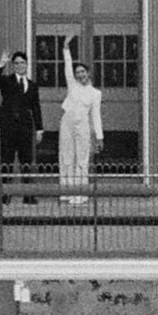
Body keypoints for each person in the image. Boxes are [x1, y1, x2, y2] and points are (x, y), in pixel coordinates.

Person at [0, 49, 44, 203]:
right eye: (17, 63)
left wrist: (39, 129)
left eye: (22, 63)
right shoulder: (7, 81)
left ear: (27, 65)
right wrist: (1, 64)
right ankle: (5, 195)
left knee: (26, 161)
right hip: (8, 126)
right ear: (13, 65)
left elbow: (36, 107)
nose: (20, 65)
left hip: (25, 127)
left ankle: (28, 195)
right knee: (6, 161)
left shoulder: (32, 85)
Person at [58, 37, 102, 203]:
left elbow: (95, 115)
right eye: (78, 73)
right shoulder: (72, 85)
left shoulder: (95, 93)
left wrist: (99, 136)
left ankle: (80, 193)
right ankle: (66, 191)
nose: (80, 75)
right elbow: (67, 67)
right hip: (67, 122)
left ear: (88, 73)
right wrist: (65, 48)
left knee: (82, 158)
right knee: (66, 156)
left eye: (83, 72)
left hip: (83, 125)